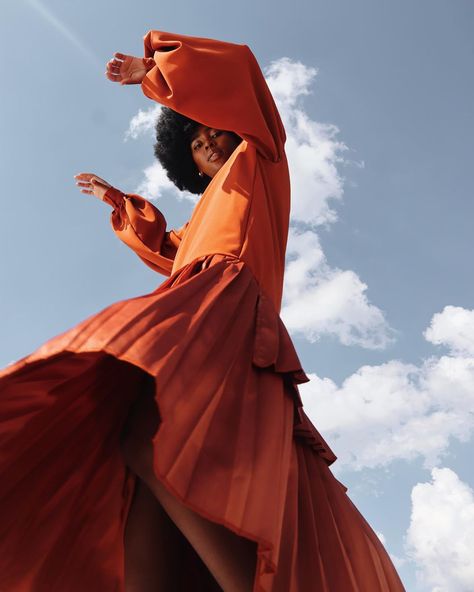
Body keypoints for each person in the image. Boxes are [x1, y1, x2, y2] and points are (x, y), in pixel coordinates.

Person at [0, 30, 406, 592]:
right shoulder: (200, 219)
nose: (211, 139)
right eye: (197, 140)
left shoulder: (258, 158)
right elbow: (167, 250)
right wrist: (119, 203)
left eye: (212, 127)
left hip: (226, 303)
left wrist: (154, 75)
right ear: (190, 162)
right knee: (141, 476)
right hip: (196, 298)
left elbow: (239, 70)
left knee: (149, 432)